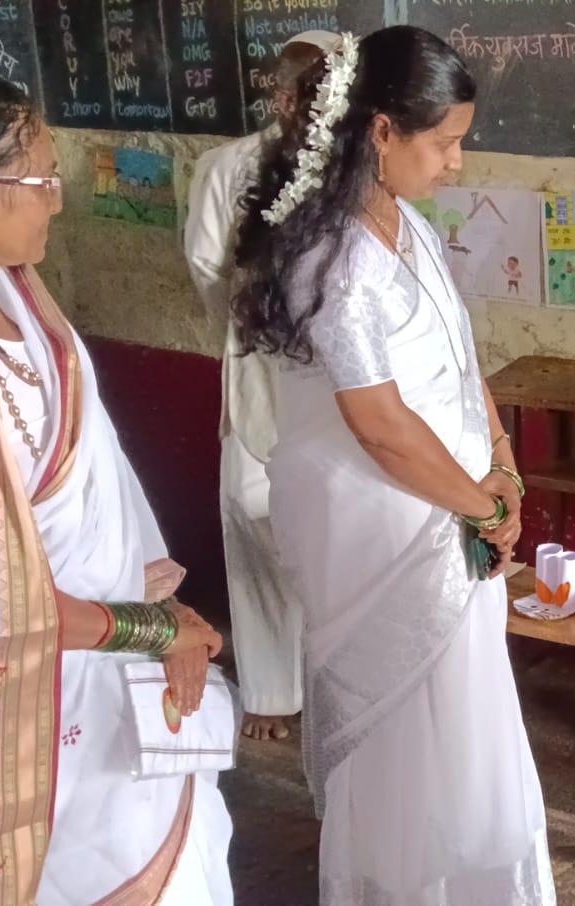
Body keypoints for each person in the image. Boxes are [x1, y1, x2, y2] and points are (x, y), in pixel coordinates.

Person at [229, 26, 552, 904]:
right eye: (443, 142)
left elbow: (460, 360)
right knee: (407, 726)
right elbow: (378, 423)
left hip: (450, 501)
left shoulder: (408, 227)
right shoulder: (330, 257)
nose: (456, 162)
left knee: (464, 713)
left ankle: (470, 879)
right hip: (383, 523)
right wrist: (482, 507)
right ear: (380, 132)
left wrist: (504, 467)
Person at [0, 64, 232, 904]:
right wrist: (153, 630)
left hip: (106, 658)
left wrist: (156, 611)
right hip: (25, 707)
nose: (56, 201)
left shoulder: (17, 291)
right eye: (38, 181)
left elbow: (93, 468)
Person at [184, 29, 340, 742]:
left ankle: (328, 681)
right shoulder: (227, 167)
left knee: (329, 518)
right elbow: (207, 269)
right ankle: (274, 690)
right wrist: (250, 329)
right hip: (257, 363)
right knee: (252, 512)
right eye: (305, 92)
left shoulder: (352, 167)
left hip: (335, 370)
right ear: (279, 97)